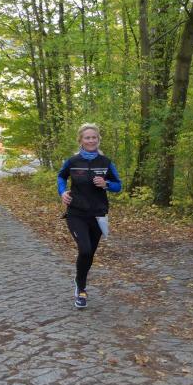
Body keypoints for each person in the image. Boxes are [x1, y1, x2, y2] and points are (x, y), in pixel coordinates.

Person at [57, 123, 122, 308]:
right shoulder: (72, 161)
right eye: (87, 137)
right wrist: (62, 192)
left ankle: (80, 281)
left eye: (94, 137)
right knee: (84, 250)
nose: (91, 140)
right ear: (81, 140)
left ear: (98, 140)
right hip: (76, 213)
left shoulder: (106, 162)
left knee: (89, 253)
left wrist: (106, 184)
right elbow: (61, 177)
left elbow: (118, 186)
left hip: (98, 215)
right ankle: (81, 288)